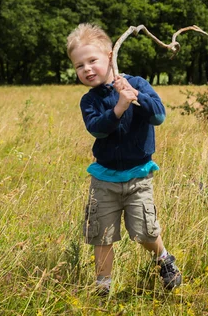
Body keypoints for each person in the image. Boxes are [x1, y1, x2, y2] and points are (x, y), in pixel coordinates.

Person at [66, 23, 182, 295]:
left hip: (138, 176)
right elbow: (96, 128)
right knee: (102, 235)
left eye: (92, 60)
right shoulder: (90, 100)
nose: (87, 69)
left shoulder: (137, 83)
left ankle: (163, 259)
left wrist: (135, 95)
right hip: (104, 179)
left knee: (145, 231)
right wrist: (119, 106)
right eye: (79, 66)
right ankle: (103, 287)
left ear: (110, 57)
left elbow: (159, 117)